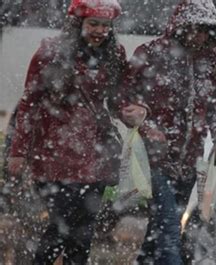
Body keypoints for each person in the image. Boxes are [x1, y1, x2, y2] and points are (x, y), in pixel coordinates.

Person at [5, 0, 136, 263]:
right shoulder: (50, 52)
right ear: (78, 24)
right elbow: (29, 104)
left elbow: (118, 98)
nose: (100, 31)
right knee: (60, 226)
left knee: (84, 232)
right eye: (93, 24)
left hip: (95, 155)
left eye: (106, 25)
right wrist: (18, 151)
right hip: (54, 154)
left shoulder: (115, 54)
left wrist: (132, 112)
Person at [119, 0, 216, 264]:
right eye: (194, 28)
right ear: (180, 26)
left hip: (189, 162)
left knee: (157, 233)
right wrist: (144, 123)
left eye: (206, 30)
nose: (199, 36)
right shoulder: (151, 53)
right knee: (169, 231)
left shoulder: (212, 61)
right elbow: (123, 98)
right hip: (153, 160)